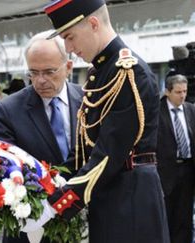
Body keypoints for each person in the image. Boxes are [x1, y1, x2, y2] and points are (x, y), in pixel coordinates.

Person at [42, 0, 170, 242]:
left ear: (93, 24)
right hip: (112, 195)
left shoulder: (127, 72)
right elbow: (85, 149)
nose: (69, 48)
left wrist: (60, 202)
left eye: (70, 37)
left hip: (130, 199)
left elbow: (109, 154)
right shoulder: (101, 73)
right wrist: (47, 180)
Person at [0, 31, 82, 243]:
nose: (40, 81)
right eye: (33, 72)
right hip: (30, 224)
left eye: (50, 72)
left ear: (68, 67)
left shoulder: (89, 101)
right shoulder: (8, 109)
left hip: (82, 220)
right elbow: (5, 166)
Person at [157, 74, 195, 243]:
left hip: (188, 170)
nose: (182, 95)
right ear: (167, 92)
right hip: (166, 172)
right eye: (178, 92)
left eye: (185, 91)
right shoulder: (156, 112)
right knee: (168, 216)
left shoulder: (190, 109)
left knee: (185, 217)